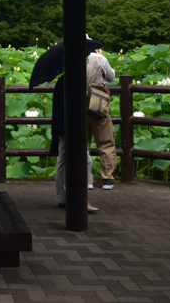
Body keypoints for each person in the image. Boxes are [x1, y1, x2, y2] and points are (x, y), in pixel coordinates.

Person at [52, 35, 101, 214]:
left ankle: (62, 196)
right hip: (72, 125)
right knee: (85, 160)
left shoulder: (63, 80)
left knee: (63, 159)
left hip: (62, 125)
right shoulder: (72, 80)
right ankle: (80, 198)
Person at [87, 46, 117, 190]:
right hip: (98, 104)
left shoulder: (72, 57)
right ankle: (107, 179)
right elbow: (111, 77)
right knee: (105, 141)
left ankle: (86, 179)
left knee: (81, 143)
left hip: (77, 104)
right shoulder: (100, 59)